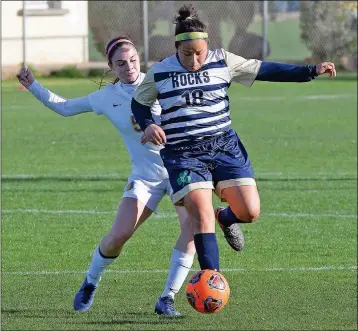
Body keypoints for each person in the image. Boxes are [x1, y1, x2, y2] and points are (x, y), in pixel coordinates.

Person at [131, 4, 336, 273]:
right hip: (184, 154)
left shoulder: (223, 60)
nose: (194, 61)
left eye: (199, 53)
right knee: (200, 215)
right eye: (187, 54)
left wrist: (310, 70)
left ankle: (225, 218)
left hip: (224, 146)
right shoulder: (160, 72)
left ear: (207, 46)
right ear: (176, 48)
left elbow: (265, 70)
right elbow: (139, 103)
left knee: (250, 212)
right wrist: (147, 124)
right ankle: (211, 278)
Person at [16, 36, 203, 316]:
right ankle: (91, 281)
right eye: (120, 63)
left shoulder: (160, 80)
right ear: (110, 67)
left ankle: (168, 298)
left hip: (180, 170)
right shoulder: (106, 98)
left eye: (132, 60)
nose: (128, 67)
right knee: (118, 236)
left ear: (139, 58)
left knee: (191, 229)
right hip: (146, 177)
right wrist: (33, 85)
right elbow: (65, 108)